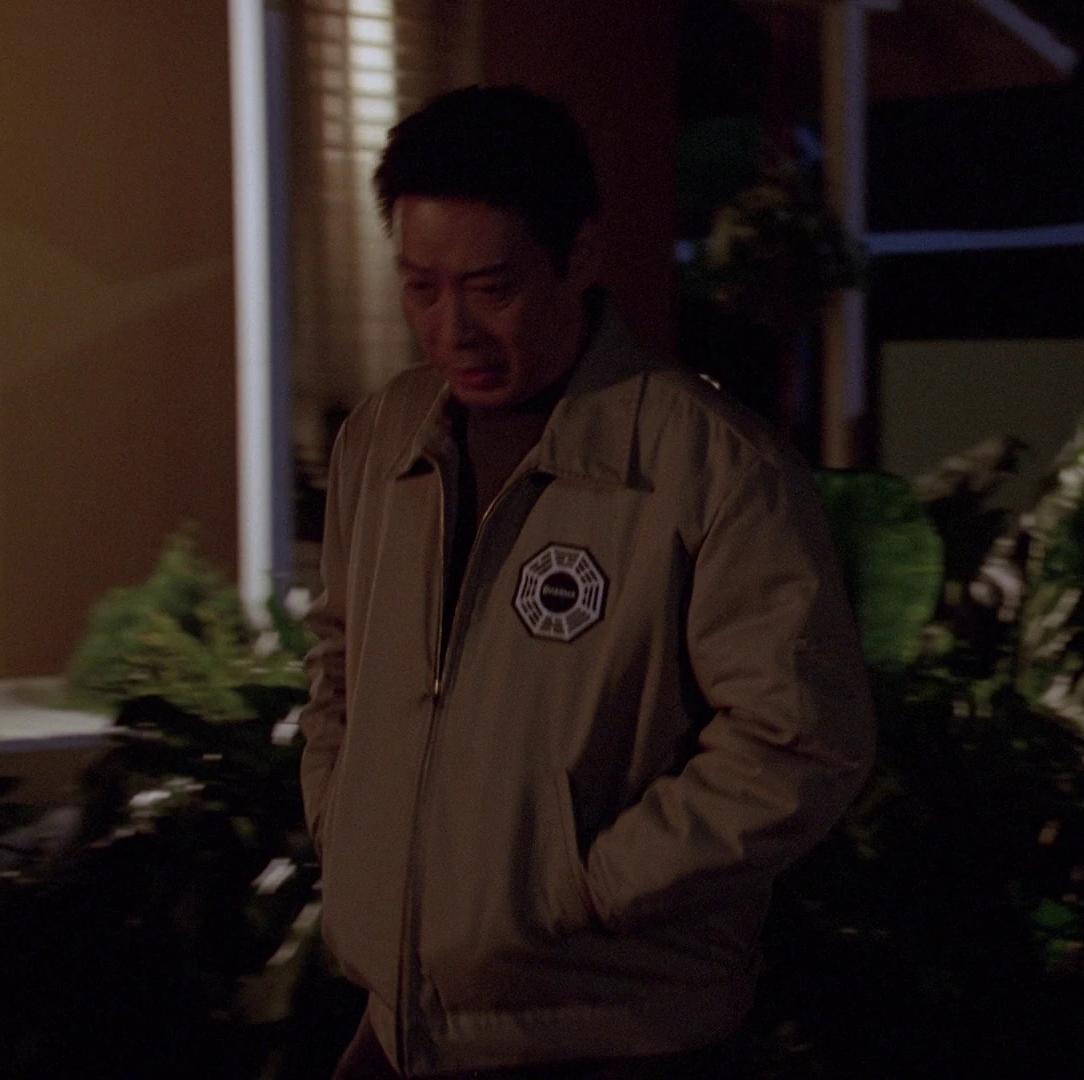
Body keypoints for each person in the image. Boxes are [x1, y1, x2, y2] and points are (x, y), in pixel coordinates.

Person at [298, 85, 876, 1078]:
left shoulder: (710, 468)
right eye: (421, 287)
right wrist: (347, 830)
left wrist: (590, 885)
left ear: (582, 254)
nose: (452, 330)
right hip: (401, 1025)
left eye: (492, 287)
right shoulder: (384, 440)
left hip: (610, 1027)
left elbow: (800, 740)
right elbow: (341, 666)